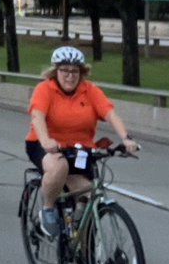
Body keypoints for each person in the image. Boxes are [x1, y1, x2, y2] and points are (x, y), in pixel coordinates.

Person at [26, 45, 138, 238]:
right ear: (56, 71)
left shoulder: (90, 91)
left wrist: (126, 139)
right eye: (65, 70)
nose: (70, 76)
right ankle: (49, 209)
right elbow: (37, 117)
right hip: (46, 145)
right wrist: (46, 140)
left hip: (80, 150)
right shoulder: (45, 89)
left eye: (75, 71)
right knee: (59, 167)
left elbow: (111, 115)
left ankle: (81, 245)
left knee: (88, 194)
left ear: (81, 73)